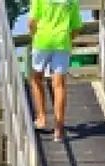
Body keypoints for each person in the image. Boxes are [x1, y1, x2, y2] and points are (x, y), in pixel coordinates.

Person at [28, 0, 83, 142]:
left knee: (36, 78)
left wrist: (34, 36)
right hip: (62, 41)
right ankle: (58, 129)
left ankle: (41, 118)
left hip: (42, 40)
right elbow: (77, 27)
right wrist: (67, 39)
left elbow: (32, 21)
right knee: (59, 85)